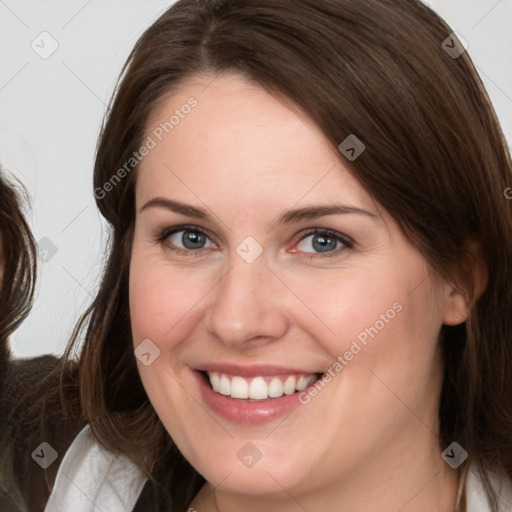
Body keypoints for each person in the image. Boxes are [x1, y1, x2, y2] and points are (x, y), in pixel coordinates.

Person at [2, 0, 512, 510]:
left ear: (461, 276)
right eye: (190, 237)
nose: (237, 321)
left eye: (321, 241)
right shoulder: (31, 466)